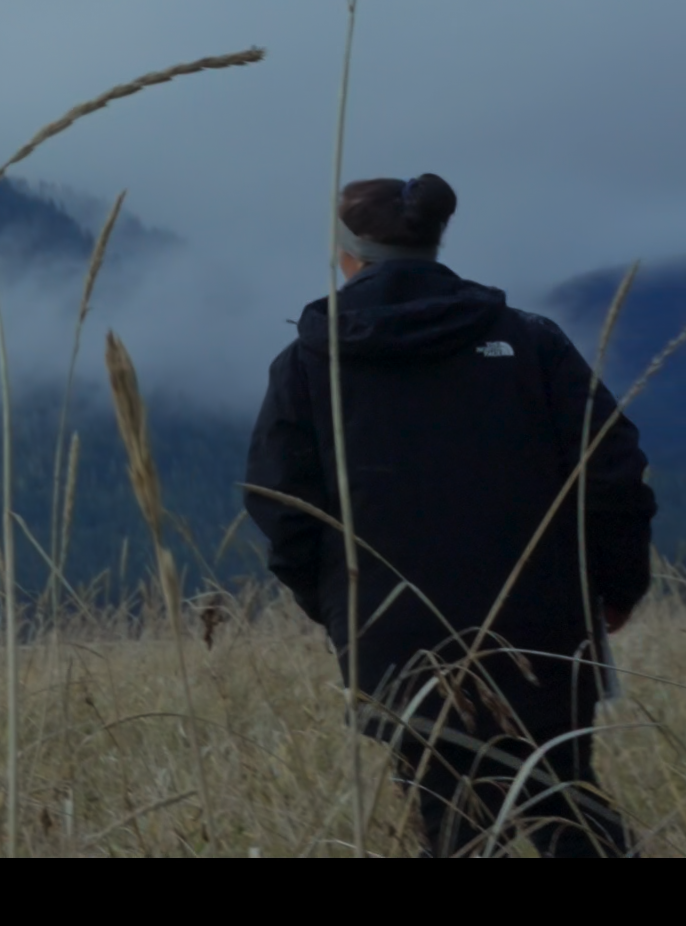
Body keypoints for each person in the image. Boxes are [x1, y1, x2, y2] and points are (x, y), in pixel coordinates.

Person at [245, 172, 654, 856]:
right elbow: (611, 473)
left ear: (347, 255)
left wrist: (339, 607)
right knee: (563, 796)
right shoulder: (530, 341)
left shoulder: (308, 361)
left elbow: (280, 501)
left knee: (452, 816)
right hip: (544, 625)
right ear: (436, 243)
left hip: (393, 636)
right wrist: (617, 587)